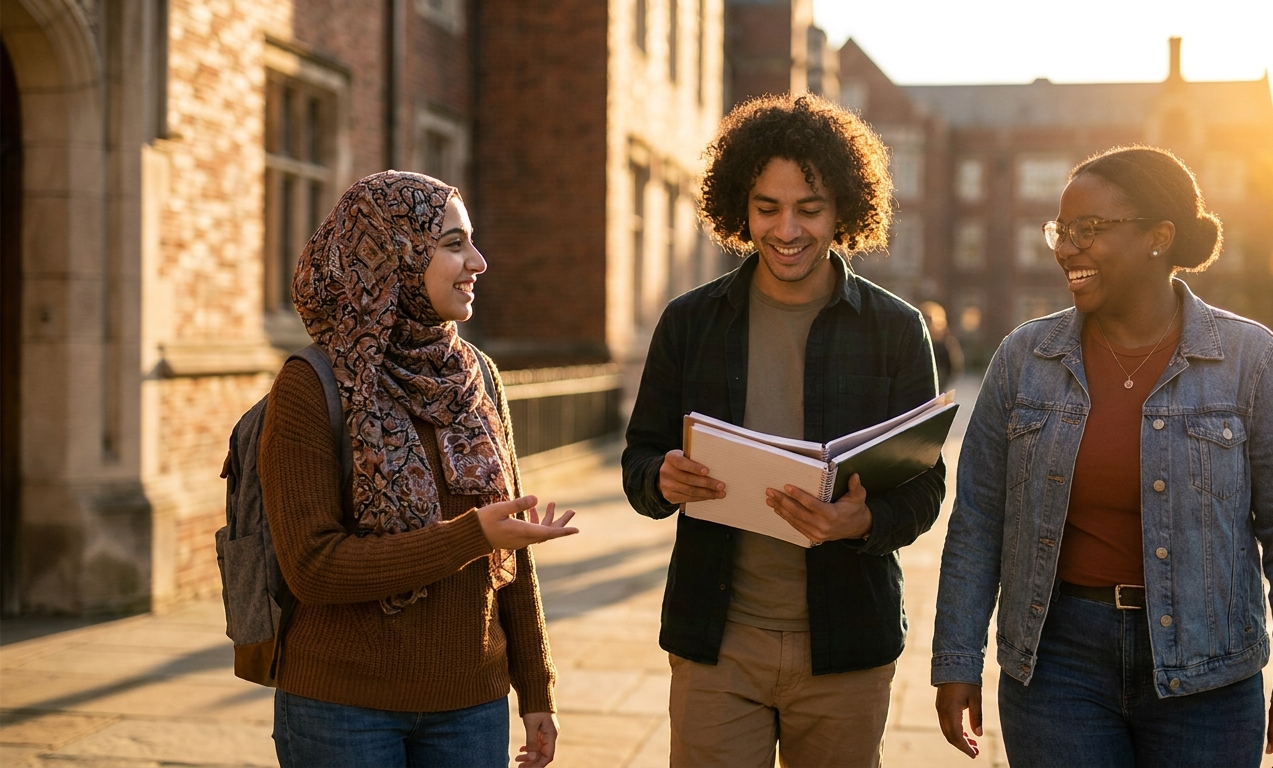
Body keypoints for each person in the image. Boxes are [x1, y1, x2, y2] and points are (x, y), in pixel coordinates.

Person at [931, 146, 1273, 768]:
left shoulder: (1252, 362)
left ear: (1159, 237)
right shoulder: (1024, 359)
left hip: (1209, 672)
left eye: (1088, 230)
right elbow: (979, 519)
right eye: (1060, 231)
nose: (1066, 248)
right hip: (1057, 664)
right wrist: (957, 658)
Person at [622, 94, 946, 767]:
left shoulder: (895, 329)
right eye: (768, 208)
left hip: (846, 646)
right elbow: (638, 461)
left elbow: (924, 489)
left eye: (810, 208)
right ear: (740, 207)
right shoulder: (690, 322)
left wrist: (859, 522)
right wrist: (662, 477)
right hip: (717, 643)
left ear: (844, 210)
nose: (787, 229)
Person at [259, 171, 578, 768]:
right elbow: (313, 568)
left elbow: (511, 548)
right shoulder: (312, 384)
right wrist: (470, 536)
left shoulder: (475, 374)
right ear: (394, 256)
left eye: (471, 241)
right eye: (453, 244)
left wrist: (536, 689)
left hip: (471, 707)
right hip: (342, 709)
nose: (478, 261)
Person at [919, 301, 964, 392]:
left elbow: (955, 366)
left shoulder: (946, 343)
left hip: (940, 384)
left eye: (929, 320)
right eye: (925, 319)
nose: (927, 324)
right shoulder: (916, 342)